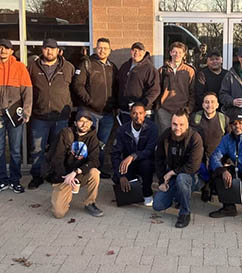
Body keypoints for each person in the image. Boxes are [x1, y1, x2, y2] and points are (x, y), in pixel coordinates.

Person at [27, 38, 75, 190]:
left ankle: (56, 174)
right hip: (39, 116)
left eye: (52, 49)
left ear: (58, 51)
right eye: (46, 48)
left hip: (60, 117)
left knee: (59, 149)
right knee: (37, 149)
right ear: (42, 50)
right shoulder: (33, 67)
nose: (49, 51)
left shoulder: (68, 67)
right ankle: (37, 176)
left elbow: (75, 89)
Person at [72, 37, 118, 178]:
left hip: (107, 114)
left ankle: (97, 169)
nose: (102, 50)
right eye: (99, 47)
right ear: (95, 48)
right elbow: (77, 85)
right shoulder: (87, 64)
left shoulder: (112, 67)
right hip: (89, 112)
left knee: (101, 144)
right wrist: (90, 101)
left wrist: (114, 104)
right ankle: (80, 171)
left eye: (105, 48)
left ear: (109, 51)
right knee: (85, 143)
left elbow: (116, 88)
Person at [153, 109, 203, 228]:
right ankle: (178, 195)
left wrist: (172, 172)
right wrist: (161, 181)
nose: (177, 128)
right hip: (172, 177)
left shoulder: (195, 138)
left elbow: (193, 166)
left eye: (181, 124)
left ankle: (185, 213)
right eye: (175, 124)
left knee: (181, 179)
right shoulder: (165, 136)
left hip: (190, 176)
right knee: (158, 205)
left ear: (187, 124)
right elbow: (158, 159)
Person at [49, 110, 103, 218]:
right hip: (64, 175)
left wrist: (77, 172)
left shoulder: (93, 137)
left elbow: (94, 160)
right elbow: (57, 159)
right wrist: (66, 177)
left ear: (92, 123)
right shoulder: (66, 134)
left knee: (95, 172)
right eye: (81, 121)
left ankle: (90, 202)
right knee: (58, 213)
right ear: (75, 123)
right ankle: (64, 197)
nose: (84, 124)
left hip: (78, 174)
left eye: (88, 121)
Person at [0, 39, 32, 194]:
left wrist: (26, 111)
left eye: (6, 48)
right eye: (1, 48)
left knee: (15, 150)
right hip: (0, 115)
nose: (3, 51)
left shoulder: (20, 67)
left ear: (12, 51)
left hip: (14, 115)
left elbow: (27, 91)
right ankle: (2, 180)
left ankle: (15, 181)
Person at [111, 102, 158, 206]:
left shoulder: (152, 128)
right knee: (116, 178)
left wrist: (133, 156)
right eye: (134, 113)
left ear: (145, 114)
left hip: (145, 160)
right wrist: (121, 176)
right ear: (130, 114)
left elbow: (149, 150)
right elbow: (115, 154)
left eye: (141, 113)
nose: (138, 116)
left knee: (146, 166)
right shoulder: (122, 130)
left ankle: (147, 193)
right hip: (129, 163)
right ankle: (132, 190)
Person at [190, 92, 230, 201]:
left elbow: (229, 140)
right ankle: (204, 186)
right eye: (207, 102)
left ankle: (213, 185)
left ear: (217, 105)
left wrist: (228, 159)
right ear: (202, 104)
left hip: (218, 156)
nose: (210, 105)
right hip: (200, 156)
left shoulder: (224, 119)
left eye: (213, 102)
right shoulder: (195, 118)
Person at [156, 42, 195, 135]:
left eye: (180, 52)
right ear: (170, 53)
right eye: (174, 52)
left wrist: (189, 108)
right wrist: (158, 106)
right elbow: (157, 89)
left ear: (184, 54)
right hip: (164, 110)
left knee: (181, 135)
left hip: (182, 109)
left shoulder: (189, 71)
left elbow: (192, 91)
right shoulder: (162, 70)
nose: (177, 55)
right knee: (165, 136)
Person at [117, 42, 160, 124]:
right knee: (127, 135)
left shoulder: (150, 69)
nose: (137, 53)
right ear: (131, 52)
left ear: (144, 52)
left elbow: (154, 91)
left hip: (143, 114)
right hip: (125, 112)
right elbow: (118, 85)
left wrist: (142, 105)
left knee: (143, 136)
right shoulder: (125, 66)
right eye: (134, 50)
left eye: (140, 50)